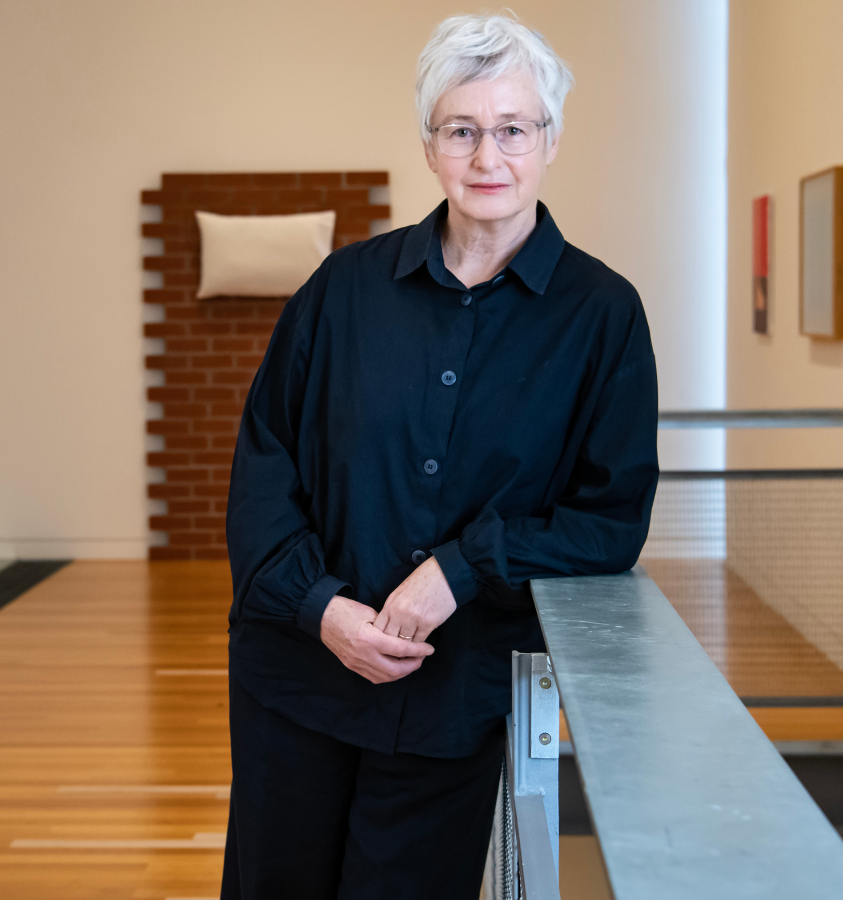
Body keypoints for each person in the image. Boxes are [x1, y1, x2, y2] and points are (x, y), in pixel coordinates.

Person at [222, 13, 659, 900]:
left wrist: (460, 571)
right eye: (461, 130)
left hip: (453, 695)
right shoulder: (343, 288)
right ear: (430, 147)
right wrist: (322, 609)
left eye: (512, 130)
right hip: (298, 683)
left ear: (550, 140)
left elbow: (606, 523)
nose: (487, 156)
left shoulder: (603, 316)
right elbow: (263, 468)